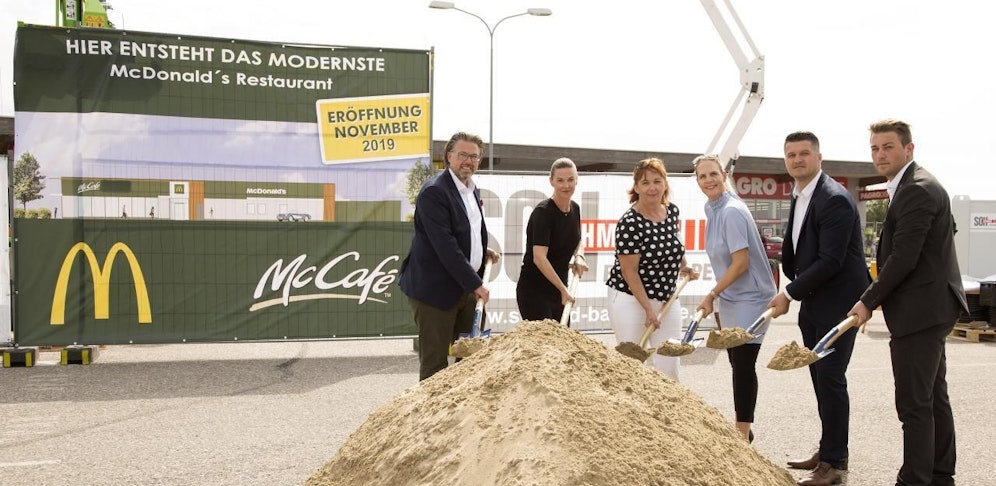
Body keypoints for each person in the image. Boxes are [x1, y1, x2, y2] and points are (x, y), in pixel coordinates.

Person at [848, 119, 967, 486]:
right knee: (933, 397)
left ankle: (914, 479)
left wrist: (868, 301)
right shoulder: (917, 185)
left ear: (908, 148)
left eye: (888, 147)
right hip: (933, 307)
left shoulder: (916, 189)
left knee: (914, 404)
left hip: (921, 312)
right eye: (874, 148)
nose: (880, 155)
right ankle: (939, 473)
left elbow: (905, 257)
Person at [768, 132, 871, 486]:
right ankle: (828, 450)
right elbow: (799, 250)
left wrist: (789, 293)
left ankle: (834, 466)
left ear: (819, 157)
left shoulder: (834, 199)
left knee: (830, 378)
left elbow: (831, 260)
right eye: (791, 154)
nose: (797, 160)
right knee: (819, 379)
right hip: (815, 303)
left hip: (839, 305)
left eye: (804, 154)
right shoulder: (800, 195)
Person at [398, 131, 500, 381]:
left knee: (472, 363)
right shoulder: (434, 192)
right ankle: (430, 419)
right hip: (435, 291)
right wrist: (475, 283)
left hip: (464, 287)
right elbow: (444, 245)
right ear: (449, 157)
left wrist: (479, 251)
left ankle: (462, 418)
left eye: (474, 156)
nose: (468, 161)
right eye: (463, 155)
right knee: (435, 369)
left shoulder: (471, 190)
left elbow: (466, 231)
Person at [692, 154, 776, 442]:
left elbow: (740, 263)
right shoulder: (712, 208)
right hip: (731, 298)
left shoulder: (731, 212)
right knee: (736, 362)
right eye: (702, 176)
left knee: (742, 364)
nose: (708, 180)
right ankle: (745, 429)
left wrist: (711, 294)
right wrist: (719, 297)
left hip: (751, 297)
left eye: (713, 174)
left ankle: (742, 434)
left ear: (724, 174)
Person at [605, 158, 696, 381]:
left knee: (669, 367)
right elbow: (629, 272)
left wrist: (685, 266)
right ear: (636, 187)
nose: (652, 187)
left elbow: (674, 243)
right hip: (632, 301)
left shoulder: (671, 212)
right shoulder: (629, 222)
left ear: (665, 183)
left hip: (667, 299)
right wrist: (648, 309)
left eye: (657, 181)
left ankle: (669, 414)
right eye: (645, 183)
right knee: (632, 368)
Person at [516, 158, 589, 323]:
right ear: (551, 181)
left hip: (560, 289)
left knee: (562, 344)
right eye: (560, 180)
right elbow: (539, 258)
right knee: (544, 345)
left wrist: (580, 256)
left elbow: (577, 240)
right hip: (535, 291)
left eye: (571, 180)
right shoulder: (543, 213)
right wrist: (564, 290)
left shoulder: (575, 209)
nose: (566, 185)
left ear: (577, 180)